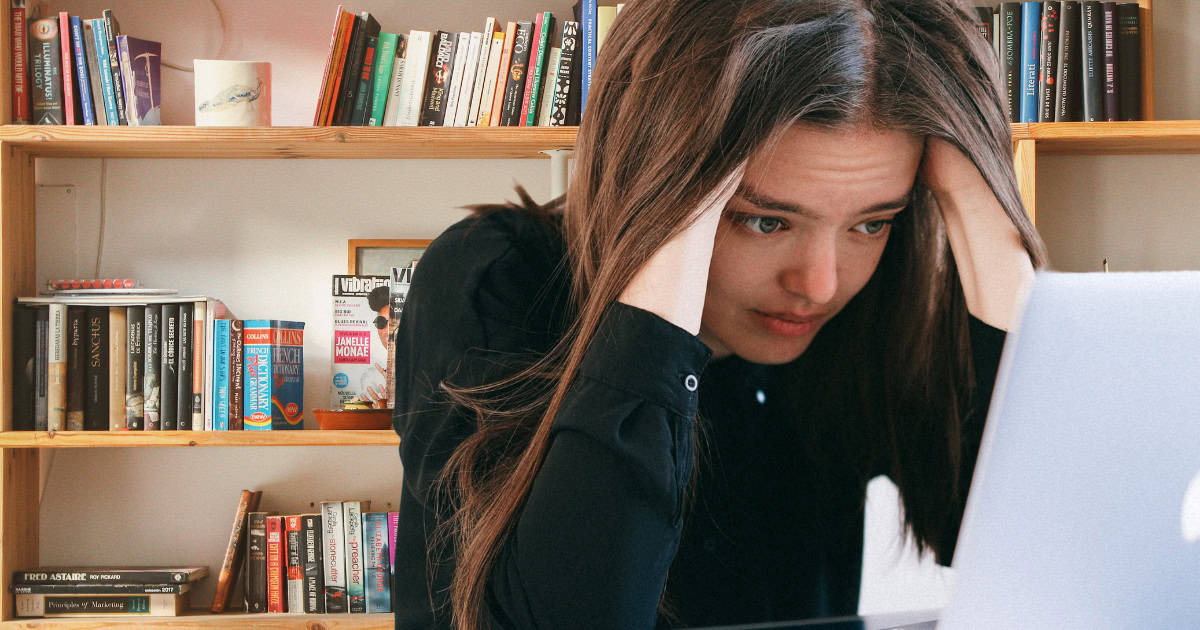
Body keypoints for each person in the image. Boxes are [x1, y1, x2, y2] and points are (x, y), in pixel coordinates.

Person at [391, 1, 1046, 628]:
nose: (819, 285)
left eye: (871, 223)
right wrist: (666, 239)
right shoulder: (496, 280)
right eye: (764, 220)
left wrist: (982, 198)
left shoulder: (870, 307)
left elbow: (1044, 554)